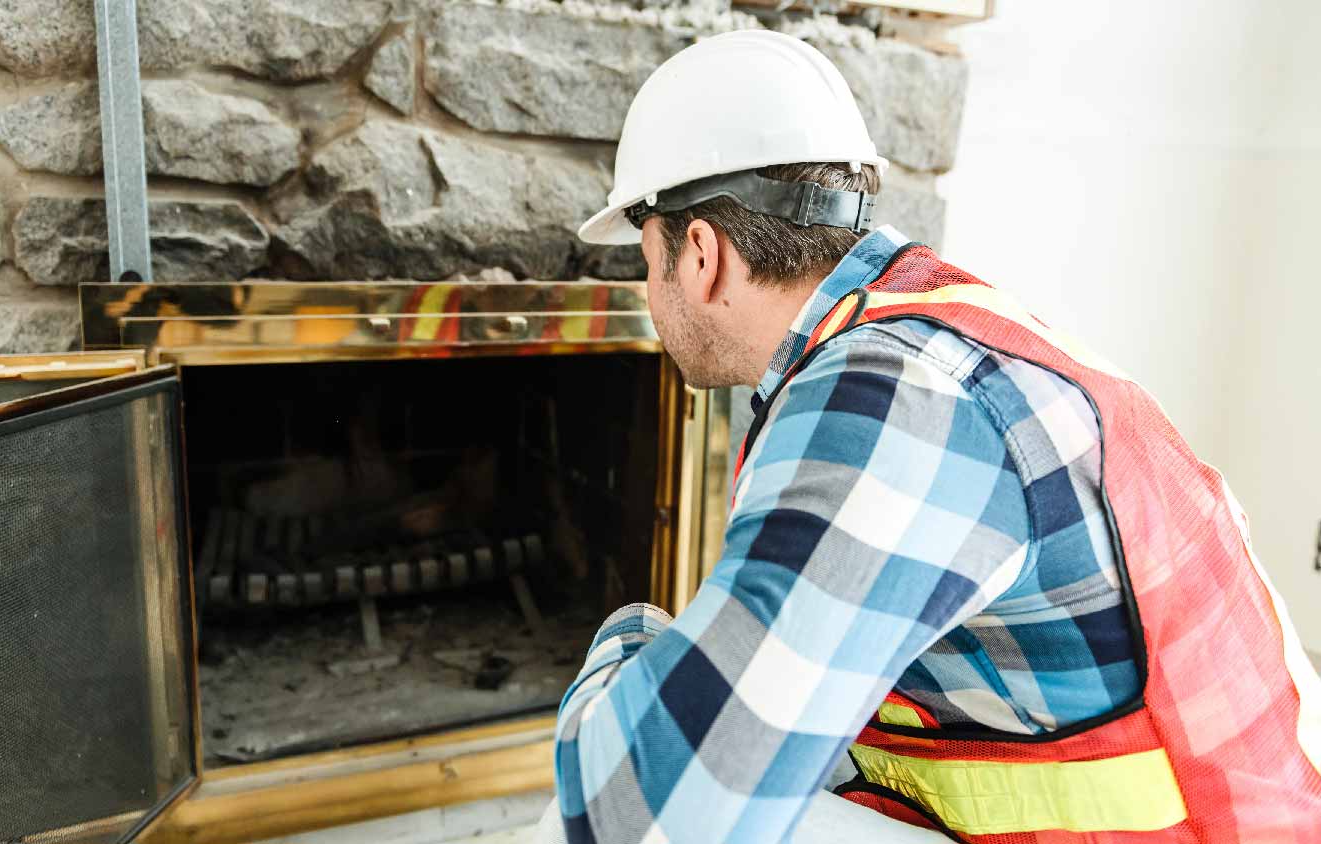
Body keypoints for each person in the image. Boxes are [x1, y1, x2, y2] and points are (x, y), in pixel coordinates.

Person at [540, 29, 1321, 844]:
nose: (651, 288)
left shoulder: (891, 401)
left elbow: (635, 810)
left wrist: (632, 634)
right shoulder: (922, 332)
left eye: (645, 257)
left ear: (698, 254)